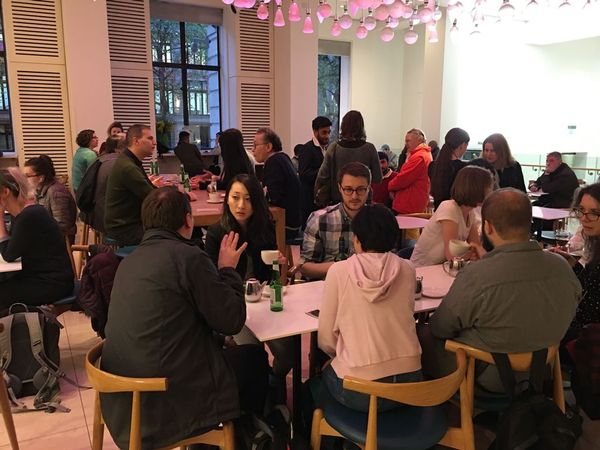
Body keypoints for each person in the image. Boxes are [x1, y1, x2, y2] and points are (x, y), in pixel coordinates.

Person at [100, 187, 268, 450]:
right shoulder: (188, 257)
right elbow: (232, 320)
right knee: (255, 359)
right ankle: (238, 436)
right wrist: (226, 269)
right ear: (188, 220)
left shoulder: (129, 261)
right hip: (164, 400)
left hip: (121, 397)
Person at [421, 188, 580, 393]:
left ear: (487, 227)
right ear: (528, 222)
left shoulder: (478, 274)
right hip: (542, 368)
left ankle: (433, 407)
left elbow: (441, 327)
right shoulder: (562, 267)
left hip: (489, 375)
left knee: (423, 334)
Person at [319, 204, 422, 412]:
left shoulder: (339, 272)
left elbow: (326, 340)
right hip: (411, 382)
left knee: (318, 379)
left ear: (356, 239)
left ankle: (337, 438)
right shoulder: (408, 269)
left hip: (361, 390)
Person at [0, 168, 73, 308]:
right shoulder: (25, 213)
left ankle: (19, 327)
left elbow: (8, 254)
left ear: (5, 192)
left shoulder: (28, 216)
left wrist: (0, 218)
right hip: (47, 277)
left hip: (52, 283)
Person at [300, 162, 371, 280]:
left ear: (368, 188)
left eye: (361, 190)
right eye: (348, 189)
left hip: (368, 288)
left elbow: (388, 261)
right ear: (339, 188)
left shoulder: (378, 220)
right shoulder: (320, 219)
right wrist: (345, 267)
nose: (354, 196)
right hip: (328, 287)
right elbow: (305, 267)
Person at [411, 166, 492, 267]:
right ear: (477, 188)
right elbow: (451, 255)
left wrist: (475, 254)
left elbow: (477, 247)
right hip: (424, 269)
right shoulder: (449, 208)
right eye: (488, 187)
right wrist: (471, 254)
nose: (490, 192)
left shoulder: (470, 213)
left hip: (442, 267)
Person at [550, 183, 600, 342]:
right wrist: (573, 264)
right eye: (581, 210)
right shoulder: (596, 244)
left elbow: (590, 310)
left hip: (589, 340)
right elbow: (591, 287)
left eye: (594, 213)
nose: (584, 218)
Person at [205, 174, 278, 284]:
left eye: (248, 199)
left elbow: (271, 276)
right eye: (235, 197)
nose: (241, 205)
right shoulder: (216, 233)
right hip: (230, 295)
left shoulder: (265, 227)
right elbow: (210, 281)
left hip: (260, 295)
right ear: (227, 199)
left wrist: (276, 263)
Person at [104, 124, 165, 246]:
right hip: (125, 228)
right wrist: (182, 195)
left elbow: (150, 190)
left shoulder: (130, 160)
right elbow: (152, 197)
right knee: (172, 234)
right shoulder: (128, 167)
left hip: (126, 223)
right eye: (150, 138)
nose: (154, 143)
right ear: (136, 141)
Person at [314, 110, 381, 207]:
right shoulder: (370, 148)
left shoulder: (334, 148)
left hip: (338, 200)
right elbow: (377, 178)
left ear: (343, 126)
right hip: (363, 201)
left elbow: (322, 177)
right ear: (361, 127)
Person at [252, 127, 302, 240]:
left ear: (268, 147)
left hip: (285, 225)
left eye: (255, 145)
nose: (252, 149)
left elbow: (273, 198)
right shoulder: (283, 158)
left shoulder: (273, 162)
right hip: (294, 222)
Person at [23, 155, 77, 242]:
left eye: (28, 176)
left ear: (41, 178)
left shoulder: (56, 191)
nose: (24, 179)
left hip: (60, 241)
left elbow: (63, 224)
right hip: (50, 236)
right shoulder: (40, 190)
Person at [388, 128, 433, 214]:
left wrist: (389, 185)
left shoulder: (419, 157)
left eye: (408, 141)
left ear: (419, 140)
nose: (406, 144)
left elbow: (403, 178)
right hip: (413, 201)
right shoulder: (424, 154)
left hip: (409, 204)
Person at [298, 116, 332, 224]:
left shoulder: (328, 149)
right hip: (310, 200)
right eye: (324, 132)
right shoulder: (307, 149)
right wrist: (324, 172)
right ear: (315, 132)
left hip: (324, 199)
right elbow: (303, 174)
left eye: (329, 132)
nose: (327, 136)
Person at [90, 136, 125, 234]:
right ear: (117, 149)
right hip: (108, 218)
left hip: (95, 213)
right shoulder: (117, 163)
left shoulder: (100, 159)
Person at [429, 128, 469, 210]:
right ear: (463, 145)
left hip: (438, 211)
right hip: (454, 212)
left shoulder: (432, 166)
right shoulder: (463, 168)